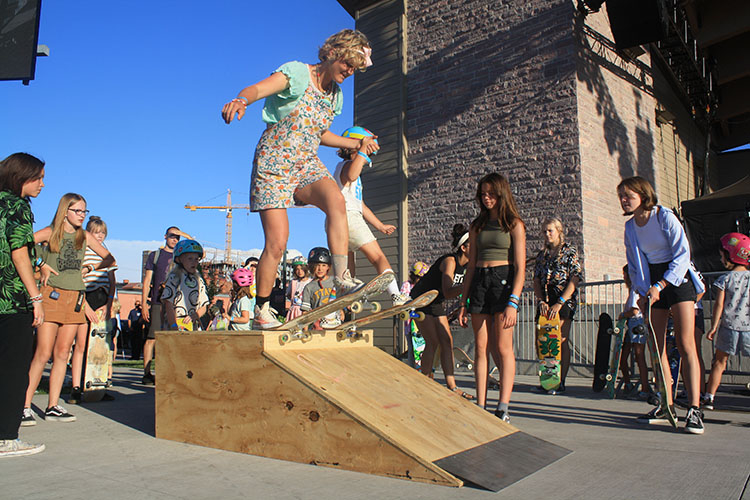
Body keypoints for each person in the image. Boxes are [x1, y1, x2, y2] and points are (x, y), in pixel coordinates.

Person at [221, 29, 379, 329]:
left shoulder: (336, 96)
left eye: (354, 70)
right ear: (333, 52)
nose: (349, 72)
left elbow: (321, 134)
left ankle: (342, 277)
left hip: (306, 162)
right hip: (274, 161)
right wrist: (241, 100)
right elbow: (257, 88)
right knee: (278, 242)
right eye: (347, 65)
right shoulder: (297, 73)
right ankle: (263, 309)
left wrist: (355, 144)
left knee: (336, 201)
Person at [618, 176, 705, 434]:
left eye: (628, 196)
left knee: (685, 343)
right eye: (621, 195)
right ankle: (665, 403)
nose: (623, 200)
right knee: (657, 347)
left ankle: (694, 408)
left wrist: (662, 285)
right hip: (652, 283)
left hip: (678, 279)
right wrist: (642, 293)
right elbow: (635, 266)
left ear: (643, 196)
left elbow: (682, 254)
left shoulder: (664, 216)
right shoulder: (631, 227)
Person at [23, 193, 115, 425]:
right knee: (43, 353)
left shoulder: (84, 236)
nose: (82, 216)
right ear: (65, 211)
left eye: (84, 211)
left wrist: (90, 266)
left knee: (63, 352)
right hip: (51, 295)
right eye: (78, 211)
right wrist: (40, 264)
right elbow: (20, 247)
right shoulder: (49, 232)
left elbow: (110, 258)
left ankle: (53, 405)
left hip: (75, 298)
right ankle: (24, 406)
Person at [458, 173, 526, 423]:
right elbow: (472, 265)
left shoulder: (514, 224)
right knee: (481, 347)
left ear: (501, 194)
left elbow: (520, 267)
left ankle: (503, 407)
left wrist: (513, 302)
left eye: (491, 194)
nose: (486, 199)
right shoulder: (477, 225)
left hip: (504, 282)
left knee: (502, 347)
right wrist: (464, 303)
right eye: (482, 194)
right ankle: (481, 405)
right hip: (480, 283)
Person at [0, 152, 46, 457]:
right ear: (21, 177)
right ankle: (7, 436)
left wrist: (39, 261)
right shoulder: (17, 205)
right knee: (14, 369)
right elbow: (18, 253)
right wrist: (36, 298)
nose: (43, 184)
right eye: (38, 177)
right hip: (13, 299)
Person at [333, 126, 407, 304]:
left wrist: (380, 226)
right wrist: (362, 153)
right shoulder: (348, 166)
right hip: (349, 217)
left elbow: (361, 205)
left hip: (338, 221)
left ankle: (342, 305)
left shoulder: (341, 168)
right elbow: (351, 175)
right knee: (378, 258)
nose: (368, 158)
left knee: (347, 273)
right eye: (368, 151)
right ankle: (396, 295)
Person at [409, 225, 471, 398]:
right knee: (433, 341)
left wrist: (462, 307)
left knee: (447, 341)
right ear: (464, 248)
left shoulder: (470, 266)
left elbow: (463, 292)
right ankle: (425, 381)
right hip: (421, 299)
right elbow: (448, 291)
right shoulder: (450, 262)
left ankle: (452, 386)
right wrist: (466, 286)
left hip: (436, 302)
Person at [69, 216, 117, 404]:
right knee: (81, 344)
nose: (99, 236)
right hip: (85, 297)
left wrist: (108, 304)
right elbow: (77, 280)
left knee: (102, 347)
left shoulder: (107, 254)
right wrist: (85, 306)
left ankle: (99, 385)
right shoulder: (82, 251)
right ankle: (76, 387)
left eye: (102, 233)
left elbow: (112, 282)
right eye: (95, 232)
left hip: (103, 299)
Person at [532, 217, 582, 394]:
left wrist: (560, 303)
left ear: (559, 231)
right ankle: (547, 378)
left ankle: (560, 380)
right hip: (545, 300)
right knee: (543, 340)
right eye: (544, 231)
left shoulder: (569, 252)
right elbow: (536, 280)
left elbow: (575, 277)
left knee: (559, 340)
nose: (547, 234)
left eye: (550, 231)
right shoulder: (542, 255)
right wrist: (541, 301)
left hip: (563, 300)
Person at [703, 233, 750, 410]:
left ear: (731, 255)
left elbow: (719, 305)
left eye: (722, 254)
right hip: (749, 328)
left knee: (719, 362)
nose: (721, 258)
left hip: (728, 327)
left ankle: (709, 397)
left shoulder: (725, 279)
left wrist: (713, 327)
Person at [140, 226, 189, 384]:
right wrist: (143, 304)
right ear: (165, 236)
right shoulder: (156, 256)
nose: (175, 239)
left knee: (172, 338)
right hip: (157, 301)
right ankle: (147, 373)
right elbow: (147, 281)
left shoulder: (182, 256)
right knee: (152, 338)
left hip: (176, 303)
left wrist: (183, 234)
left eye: (177, 237)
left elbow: (195, 246)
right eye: (172, 236)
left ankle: (168, 373)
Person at [161, 239, 210, 332]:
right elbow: (168, 303)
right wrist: (173, 325)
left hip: (192, 324)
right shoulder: (174, 278)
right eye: (190, 259)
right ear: (179, 259)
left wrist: (197, 314)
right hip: (176, 322)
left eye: (196, 259)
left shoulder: (199, 280)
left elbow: (204, 305)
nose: (194, 262)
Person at [619, 265, 652, 398]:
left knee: (639, 355)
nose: (624, 277)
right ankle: (628, 383)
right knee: (623, 356)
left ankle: (645, 387)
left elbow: (634, 310)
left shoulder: (635, 289)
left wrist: (623, 315)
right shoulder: (633, 290)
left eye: (625, 274)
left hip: (637, 323)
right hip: (632, 324)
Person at [301, 247, 341, 329]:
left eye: (324, 265)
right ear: (312, 266)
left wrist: (343, 310)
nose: (320, 269)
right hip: (318, 325)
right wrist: (305, 331)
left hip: (336, 322)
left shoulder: (335, 281)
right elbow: (305, 312)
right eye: (317, 265)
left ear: (328, 267)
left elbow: (342, 299)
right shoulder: (309, 287)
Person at [400, 261, 429, 367]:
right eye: (419, 278)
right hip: (411, 323)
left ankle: (426, 369)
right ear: (414, 276)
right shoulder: (407, 285)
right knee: (413, 349)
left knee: (425, 347)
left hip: (424, 320)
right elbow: (403, 301)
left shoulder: (425, 287)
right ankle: (413, 370)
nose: (421, 281)